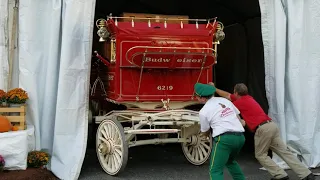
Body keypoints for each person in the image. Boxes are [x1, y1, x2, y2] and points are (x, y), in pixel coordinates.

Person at [210, 82, 315, 180]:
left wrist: (214, 90)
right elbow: (231, 98)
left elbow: (227, 100)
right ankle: (306, 174)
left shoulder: (239, 102)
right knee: (285, 152)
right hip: (272, 126)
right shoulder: (249, 98)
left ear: (236, 93)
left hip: (263, 129)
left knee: (260, 155)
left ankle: (280, 175)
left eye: (234, 93)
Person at [194, 83, 246, 180]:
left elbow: (205, 131)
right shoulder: (224, 100)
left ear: (203, 98)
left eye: (196, 96)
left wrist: (203, 136)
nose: (196, 98)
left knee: (215, 170)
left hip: (224, 139)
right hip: (240, 137)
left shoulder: (203, 111)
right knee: (230, 161)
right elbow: (238, 118)